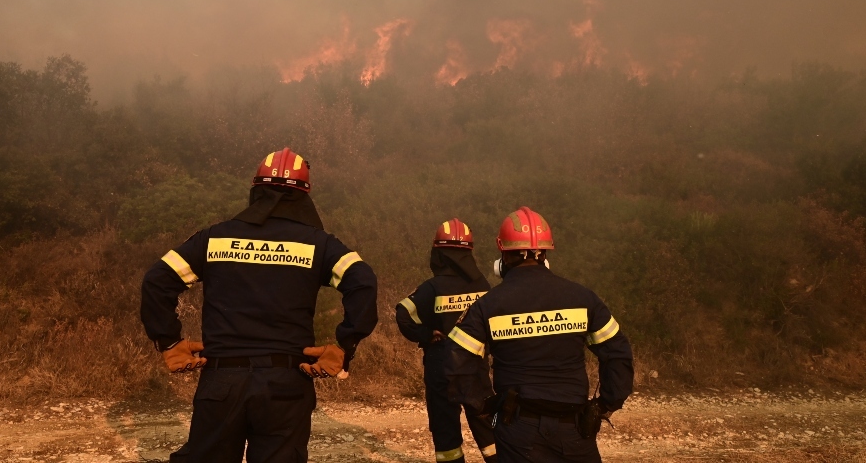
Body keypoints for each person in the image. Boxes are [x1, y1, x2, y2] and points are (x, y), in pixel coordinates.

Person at [141, 147, 379, 463]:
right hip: (286, 385)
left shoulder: (214, 238)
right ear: (304, 197)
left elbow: (157, 280)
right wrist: (344, 345)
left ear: (256, 191)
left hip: (221, 382)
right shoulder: (318, 245)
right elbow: (362, 282)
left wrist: (168, 340)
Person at [444, 207, 633, 463]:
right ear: (545, 252)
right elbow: (618, 354)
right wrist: (604, 405)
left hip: (518, 430)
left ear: (503, 255)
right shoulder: (583, 298)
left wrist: (483, 405)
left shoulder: (488, 305)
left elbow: (455, 359)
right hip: (576, 429)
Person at [395, 218, 498, 463]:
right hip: (474, 362)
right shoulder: (482, 285)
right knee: (485, 422)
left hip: (441, 362)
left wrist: (426, 334)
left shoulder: (432, 288)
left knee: (445, 428)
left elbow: (403, 314)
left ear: (438, 253)